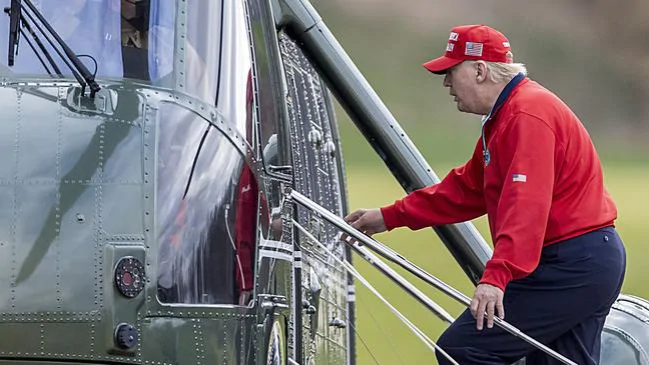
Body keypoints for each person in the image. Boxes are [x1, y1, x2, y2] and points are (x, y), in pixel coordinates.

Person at [344, 24, 626, 365]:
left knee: (464, 349)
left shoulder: (526, 114)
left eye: (451, 71)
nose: (446, 83)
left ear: (480, 70)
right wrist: (388, 217)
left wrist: (497, 276)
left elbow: (526, 206)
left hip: (571, 263)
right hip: (584, 261)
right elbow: (467, 189)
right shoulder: (509, 114)